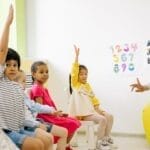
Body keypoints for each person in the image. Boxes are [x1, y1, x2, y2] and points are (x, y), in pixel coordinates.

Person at [0, 5, 52, 150]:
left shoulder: (17, 88)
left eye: (15, 65)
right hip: (7, 131)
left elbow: (23, 114)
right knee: (37, 145)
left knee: (47, 141)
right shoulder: (1, 81)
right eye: (7, 64)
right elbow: (2, 50)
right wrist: (8, 23)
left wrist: (35, 124)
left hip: (20, 127)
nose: (11, 68)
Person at [68, 45, 116, 150]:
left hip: (91, 111)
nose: (84, 76)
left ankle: (105, 139)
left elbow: (93, 99)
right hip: (82, 114)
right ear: (77, 76)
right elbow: (74, 71)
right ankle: (98, 143)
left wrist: (99, 109)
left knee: (110, 116)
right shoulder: (76, 85)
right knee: (103, 119)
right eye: (81, 74)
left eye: (86, 74)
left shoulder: (87, 86)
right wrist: (76, 57)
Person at [29, 61, 81, 150]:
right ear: (33, 74)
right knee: (72, 123)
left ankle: (65, 145)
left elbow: (50, 104)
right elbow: (40, 109)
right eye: (41, 72)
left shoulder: (43, 88)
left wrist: (58, 113)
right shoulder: (37, 88)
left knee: (74, 120)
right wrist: (54, 114)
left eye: (46, 72)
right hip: (45, 118)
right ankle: (65, 146)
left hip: (51, 115)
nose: (45, 74)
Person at [15, 69, 68, 150]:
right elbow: (24, 119)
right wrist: (37, 124)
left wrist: (52, 110)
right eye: (23, 81)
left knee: (64, 132)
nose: (25, 84)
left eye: (25, 81)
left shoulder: (23, 95)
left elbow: (36, 106)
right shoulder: (13, 98)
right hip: (30, 126)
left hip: (36, 122)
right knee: (48, 138)